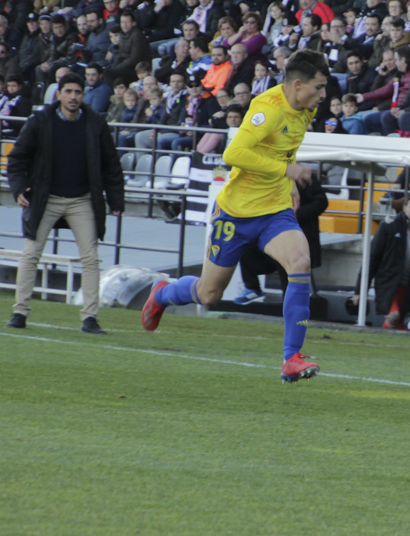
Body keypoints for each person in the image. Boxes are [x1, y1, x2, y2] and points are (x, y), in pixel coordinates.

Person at [141, 50, 330, 384]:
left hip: (274, 210)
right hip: (236, 213)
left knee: (299, 261)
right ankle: (161, 294)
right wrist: (288, 170)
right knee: (209, 294)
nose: (323, 94)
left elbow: (282, 148)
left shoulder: (305, 108)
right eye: (318, 87)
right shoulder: (266, 109)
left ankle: (291, 358)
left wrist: (289, 181)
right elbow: (233, 153)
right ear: (297, 84)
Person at [5, 72, 125, 335]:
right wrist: (18, 189)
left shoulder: (95, 122)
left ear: (84, 95)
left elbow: (111, 164)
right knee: (30, 254)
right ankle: (19, 312)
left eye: (78, 92)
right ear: (58, 94)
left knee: (91, 258)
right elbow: (16, 160)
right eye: (68, 91)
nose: (73, 96)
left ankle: (90, 318)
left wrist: (116, 199)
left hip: (82, 199)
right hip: (45, 199)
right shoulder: (39, 121)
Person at [350, 193, 410, 329]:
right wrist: (359, 290)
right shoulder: (389, 227)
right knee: (394, 316)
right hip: (389, 283)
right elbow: (372, 258)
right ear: (404, 208)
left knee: (404, 323)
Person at [233, 176, 329, 304]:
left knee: (289, 280)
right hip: (271, 236)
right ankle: (252, 287)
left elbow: (321, 202)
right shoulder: (266, 175)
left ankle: (291, 311)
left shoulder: (303, 176)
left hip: (295, 238)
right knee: (244, 245)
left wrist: (297, 214)